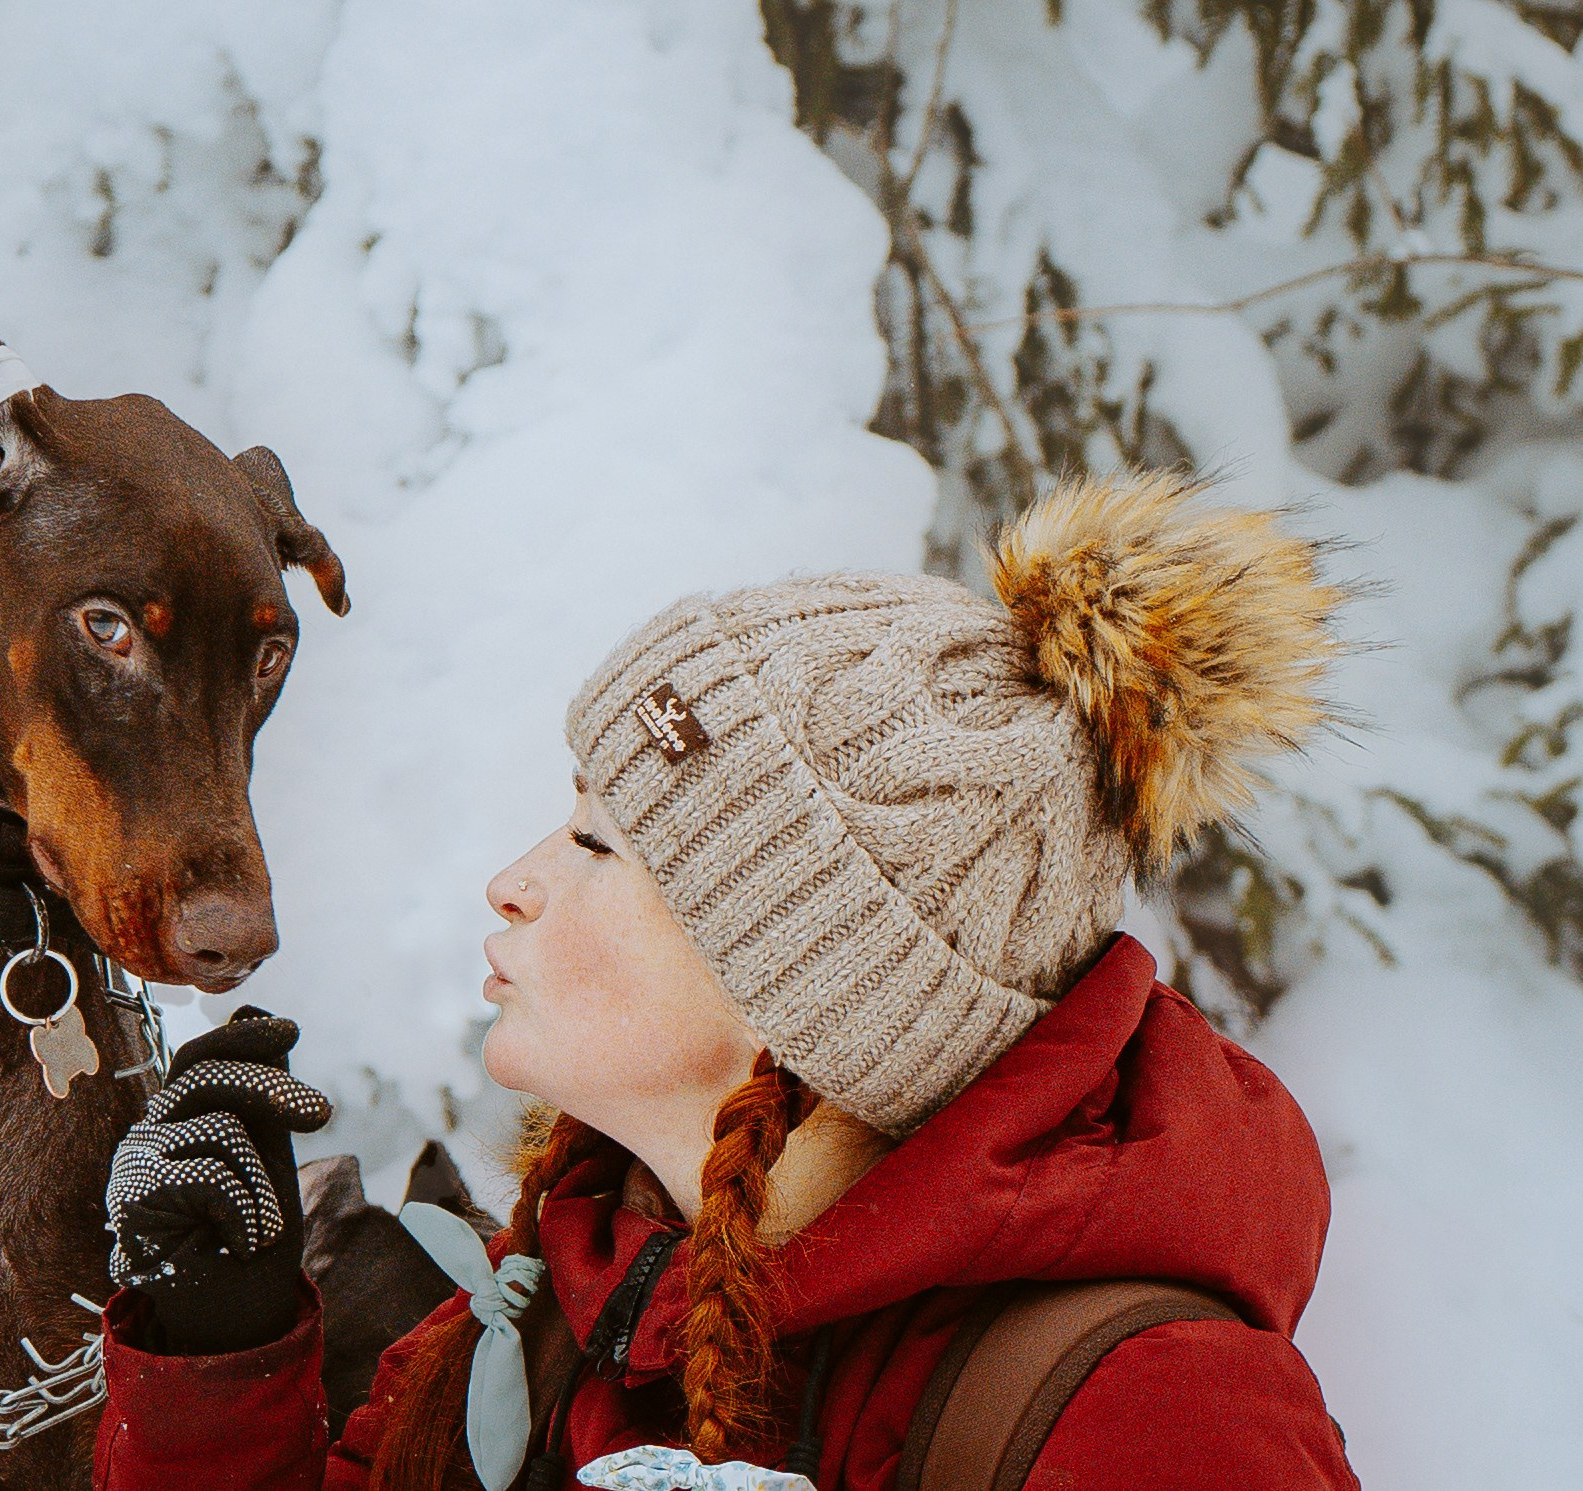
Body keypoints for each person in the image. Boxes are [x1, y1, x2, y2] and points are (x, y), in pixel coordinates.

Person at [89, 471, 1363, 1490]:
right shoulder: (564, 1300)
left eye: (598, 843)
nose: (514, 881)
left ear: (806, 983)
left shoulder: (1153, 1421)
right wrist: (218, 1352)